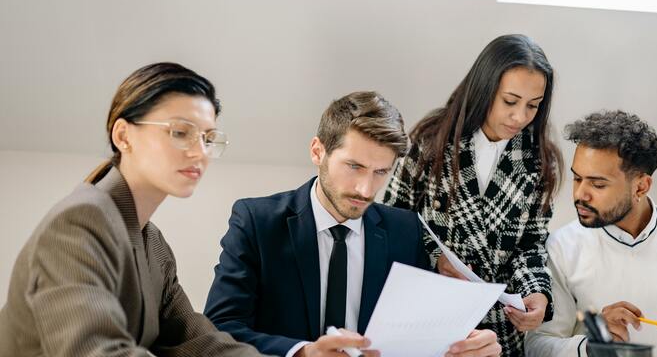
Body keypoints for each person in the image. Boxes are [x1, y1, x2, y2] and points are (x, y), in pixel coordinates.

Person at [204, 91, 502, 357]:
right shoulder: (257, 222)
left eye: (380, 172)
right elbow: (220, 330)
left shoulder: (406, 230)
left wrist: (460, 346)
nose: (365, 189)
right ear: (317, 151)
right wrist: (302, 353)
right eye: (354, 167)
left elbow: (419, 336)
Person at [0, 62, 268, 356]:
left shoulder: (153, 242)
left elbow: (195, 341)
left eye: (207, 138)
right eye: (180, 132)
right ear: (123, 136)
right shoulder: (78, 224)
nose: (200, 152)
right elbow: (98, 350)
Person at [381, 34, 563, 356]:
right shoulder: (432, 141)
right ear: (484, 88)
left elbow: (531, 243)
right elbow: (392, 221)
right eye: (510, 101)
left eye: (533, 106)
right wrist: (435, 258)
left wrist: (538, 293)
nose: (520, 117)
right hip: (430, 313)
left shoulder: (539, 160)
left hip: (498, 329)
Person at [526, 110, 657, 357]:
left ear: (641, 186)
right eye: (577, 179)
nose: (580, 195)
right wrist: (591, 345)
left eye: (598, 184)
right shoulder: (562, 247)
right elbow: (537, 345)